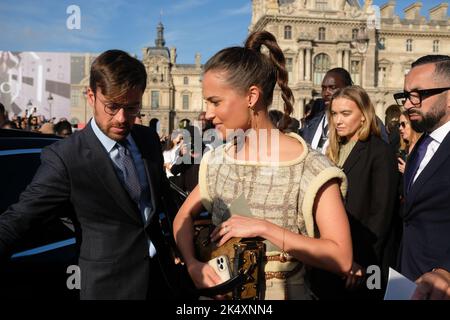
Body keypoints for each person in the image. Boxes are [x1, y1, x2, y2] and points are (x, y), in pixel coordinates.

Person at [173, 31, 352, 300]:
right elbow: (181, 219)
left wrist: (264, 228)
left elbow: (341, 257)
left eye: (215, 101)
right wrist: (193, 265)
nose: (208, 113)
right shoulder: (217, 161)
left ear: (251, 96)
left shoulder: (310, 166)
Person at [0, 50, 179, 300]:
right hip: (109, 289)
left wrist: (177, 243)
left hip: (163, 279)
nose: (122, 118)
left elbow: (162, 201)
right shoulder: (65, 158)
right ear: (91, 96)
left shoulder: (147, 139)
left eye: (132, 107)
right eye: (112, 106)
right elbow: (20, 218)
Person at [312, 86, 399, 300]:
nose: (338, 120)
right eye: (334, 114)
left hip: (364, 260)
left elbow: (381, 215)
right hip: (331, 257)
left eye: (346, 113)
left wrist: (358, 260)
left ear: (363, 116)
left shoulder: (380, 152)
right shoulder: (330, 151)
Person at [393, 54, 450, 300]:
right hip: (406, 280)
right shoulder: (423, 143)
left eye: (418, 94)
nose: (407, 104)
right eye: (406, 95)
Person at [299, 68, 388, 153]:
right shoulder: (313, 121)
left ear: (348, 88)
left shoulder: (371, 122)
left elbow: (382, 153)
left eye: (332, 87)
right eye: (323, 88)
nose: (326, 93)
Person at [397, 111, 422, 175]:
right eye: (399, 125)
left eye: (403, 124)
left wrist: (409, 171)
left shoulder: (424, 148)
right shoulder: (402, 150)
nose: (400, 128)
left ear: (412, 124)